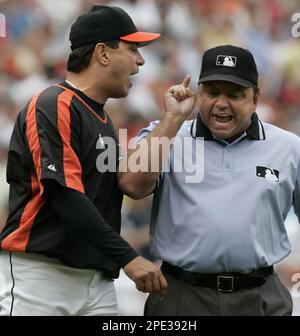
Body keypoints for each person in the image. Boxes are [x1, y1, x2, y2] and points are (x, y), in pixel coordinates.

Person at [0, 5, 167, 316]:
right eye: (132, 49)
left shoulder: (101, 118)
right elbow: (64, 195)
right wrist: (128, 257)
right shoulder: (53, 104)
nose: (141, 61)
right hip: (41, 274)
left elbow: (129, 186)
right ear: (103, 53)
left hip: (97, 279)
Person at [118, 45, 300, 316]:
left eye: (235, 95)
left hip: (261, 297)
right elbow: (132, 185)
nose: (221, 103)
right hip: (181, 295)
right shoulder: (167, 134)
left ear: (255, 99)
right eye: (212, 93)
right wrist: (172, 119)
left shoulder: (289, 147)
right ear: (198, 93)